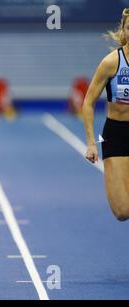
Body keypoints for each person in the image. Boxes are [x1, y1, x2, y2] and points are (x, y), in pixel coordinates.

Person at [84, 8, 129, 222]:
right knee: (122, 211)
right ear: (123, 30)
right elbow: (88, 102)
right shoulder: (111, 62)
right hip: (117, 135)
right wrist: (91, 143)